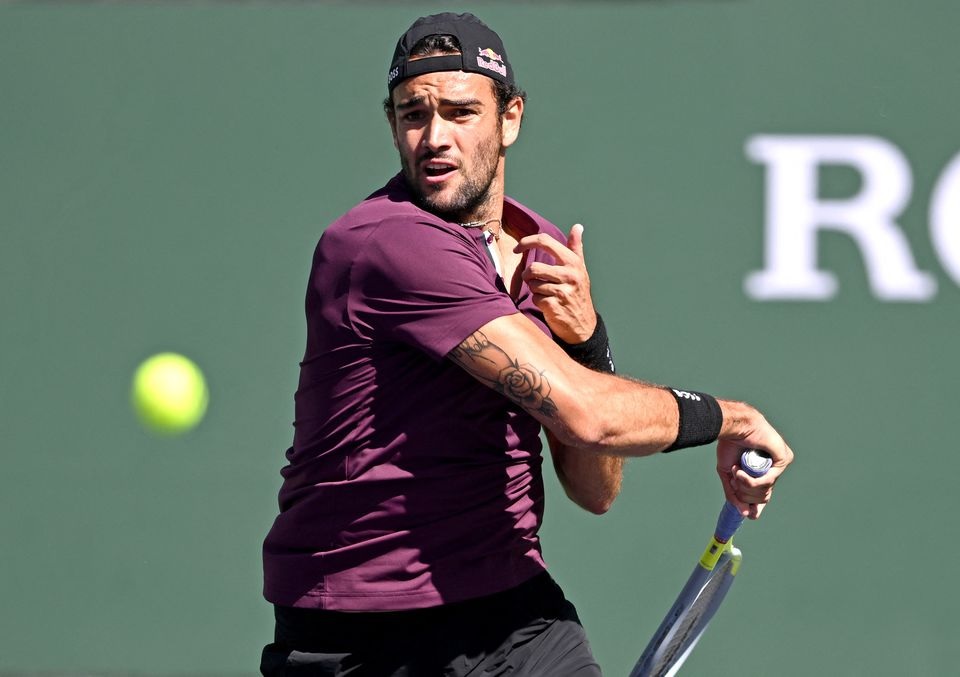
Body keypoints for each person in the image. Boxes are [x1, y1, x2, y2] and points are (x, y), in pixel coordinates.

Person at [260, 12, 793, 676]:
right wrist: (731, 418)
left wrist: (587, 339)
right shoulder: (388, 244)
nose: (434, 138)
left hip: (510, 616)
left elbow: (594, 487)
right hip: (362, 636)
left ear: (510, 118)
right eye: (413, 115)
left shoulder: (541, 250)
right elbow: (587, 415)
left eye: (460, 113)